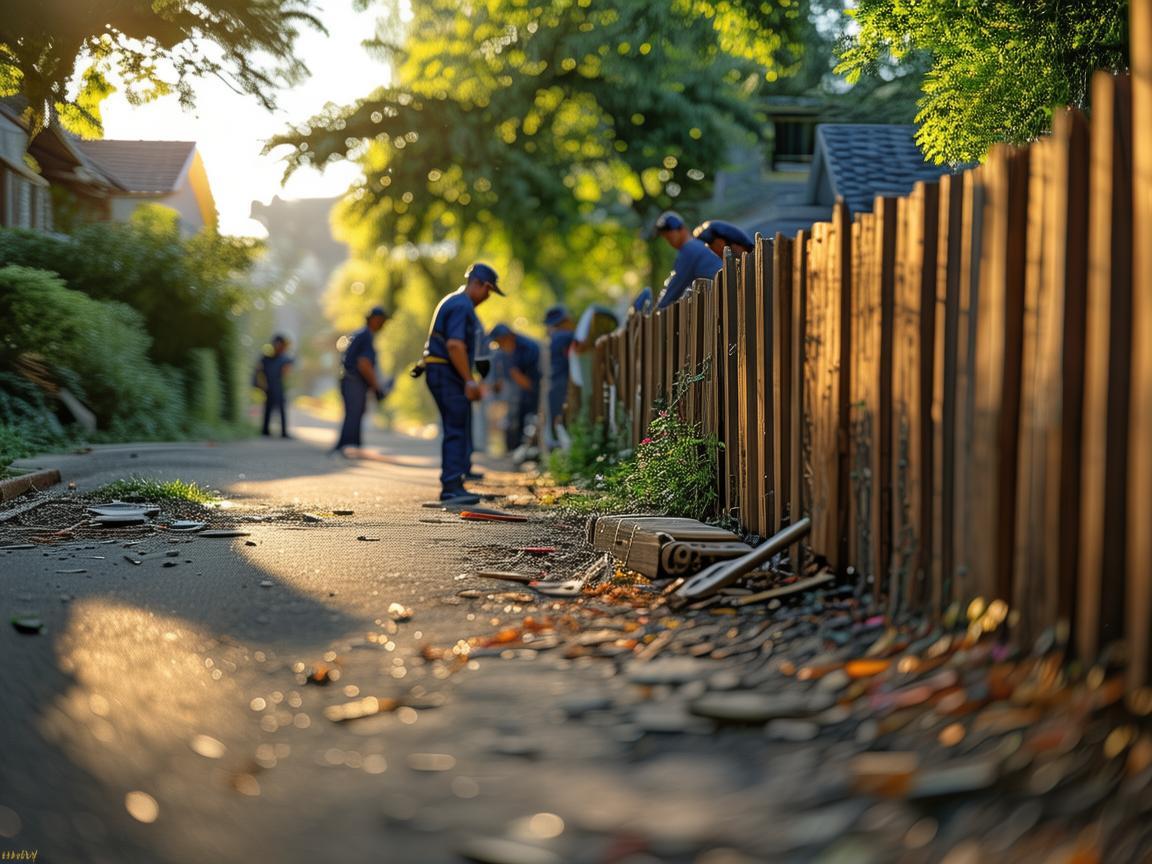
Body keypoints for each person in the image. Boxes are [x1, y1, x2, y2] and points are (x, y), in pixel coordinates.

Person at [420, 262, 504, 504]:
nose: (488, 297)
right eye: (489, 291)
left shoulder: (455, 301)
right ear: (480, 285)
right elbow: (455, 345)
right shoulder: (462, 305)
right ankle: (451, 488)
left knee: (457, 425)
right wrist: (469, 381)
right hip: (447, 373)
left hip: (442, 371)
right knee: (456, 429)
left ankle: (455, 483)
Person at [332, 306, 392, 455]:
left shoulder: (361, 334)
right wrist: (377, 387)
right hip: (354, 380)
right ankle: (347, 447)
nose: (383, 324)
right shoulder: (366, 336)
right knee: (354, 412)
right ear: (374, 319)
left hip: (350, 379)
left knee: (355, 412)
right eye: (381, 320)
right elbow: (364, 363)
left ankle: (350, 446)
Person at [489, 323, 541, 457]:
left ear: (509, 336)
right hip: (518, 389)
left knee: (530, 418)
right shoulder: (504, 352)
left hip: (534, 388)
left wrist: (521, 380)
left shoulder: (530, 348)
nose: (500, 345)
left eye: (501, 342)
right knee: (513, 418)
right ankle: (514, 450)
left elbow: (531, 381)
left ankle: (529, 451)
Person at [653, 210, 722, 310]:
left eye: (669, 233)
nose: (668, 239)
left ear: (682, 229)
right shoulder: (697, 245)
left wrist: (658, 309)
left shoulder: (689, 249)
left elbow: (676, 285)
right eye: (665, 236)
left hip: (721, 296)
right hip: (719, 295)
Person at [543, 305, 575, 442]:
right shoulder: (562, 336)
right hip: (561, 382)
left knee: (556, 420)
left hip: (556, 382)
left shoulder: (556, 337)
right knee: (560, 421)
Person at [257, 333, 293, 438]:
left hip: (277, 385)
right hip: (270, 385)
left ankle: (282, 432)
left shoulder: (283, 358)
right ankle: (266, 430)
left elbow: (286, 372)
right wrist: (261, 383)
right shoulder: (268, 357)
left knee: (280, 409)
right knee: (269, 408)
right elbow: (259, 371)